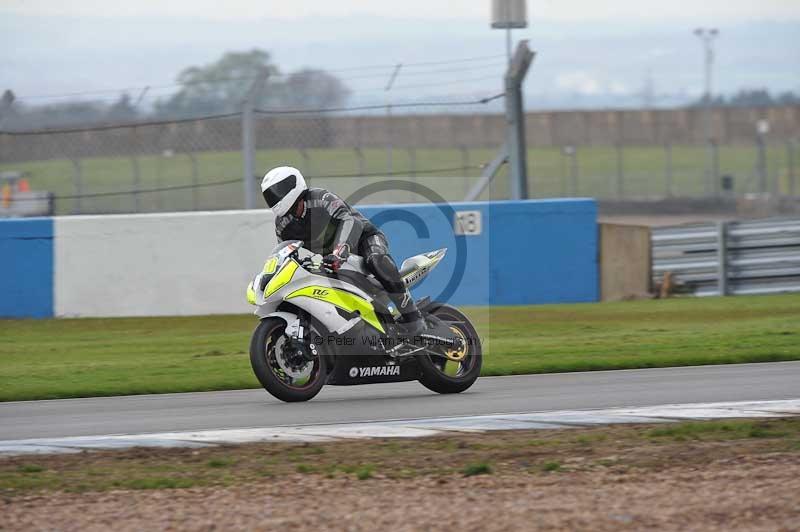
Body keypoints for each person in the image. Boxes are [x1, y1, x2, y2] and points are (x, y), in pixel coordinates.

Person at [261, 166, 425, 335]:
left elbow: (350, 220)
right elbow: (285, 251)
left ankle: (413, 317)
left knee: (376, 260)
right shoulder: (282, 224)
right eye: (270, 195)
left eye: (277, 191)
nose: (275, 198)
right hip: (332, 258)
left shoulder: (320, 197)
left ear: (293, 185)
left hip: (364, 240)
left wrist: (340, 252)